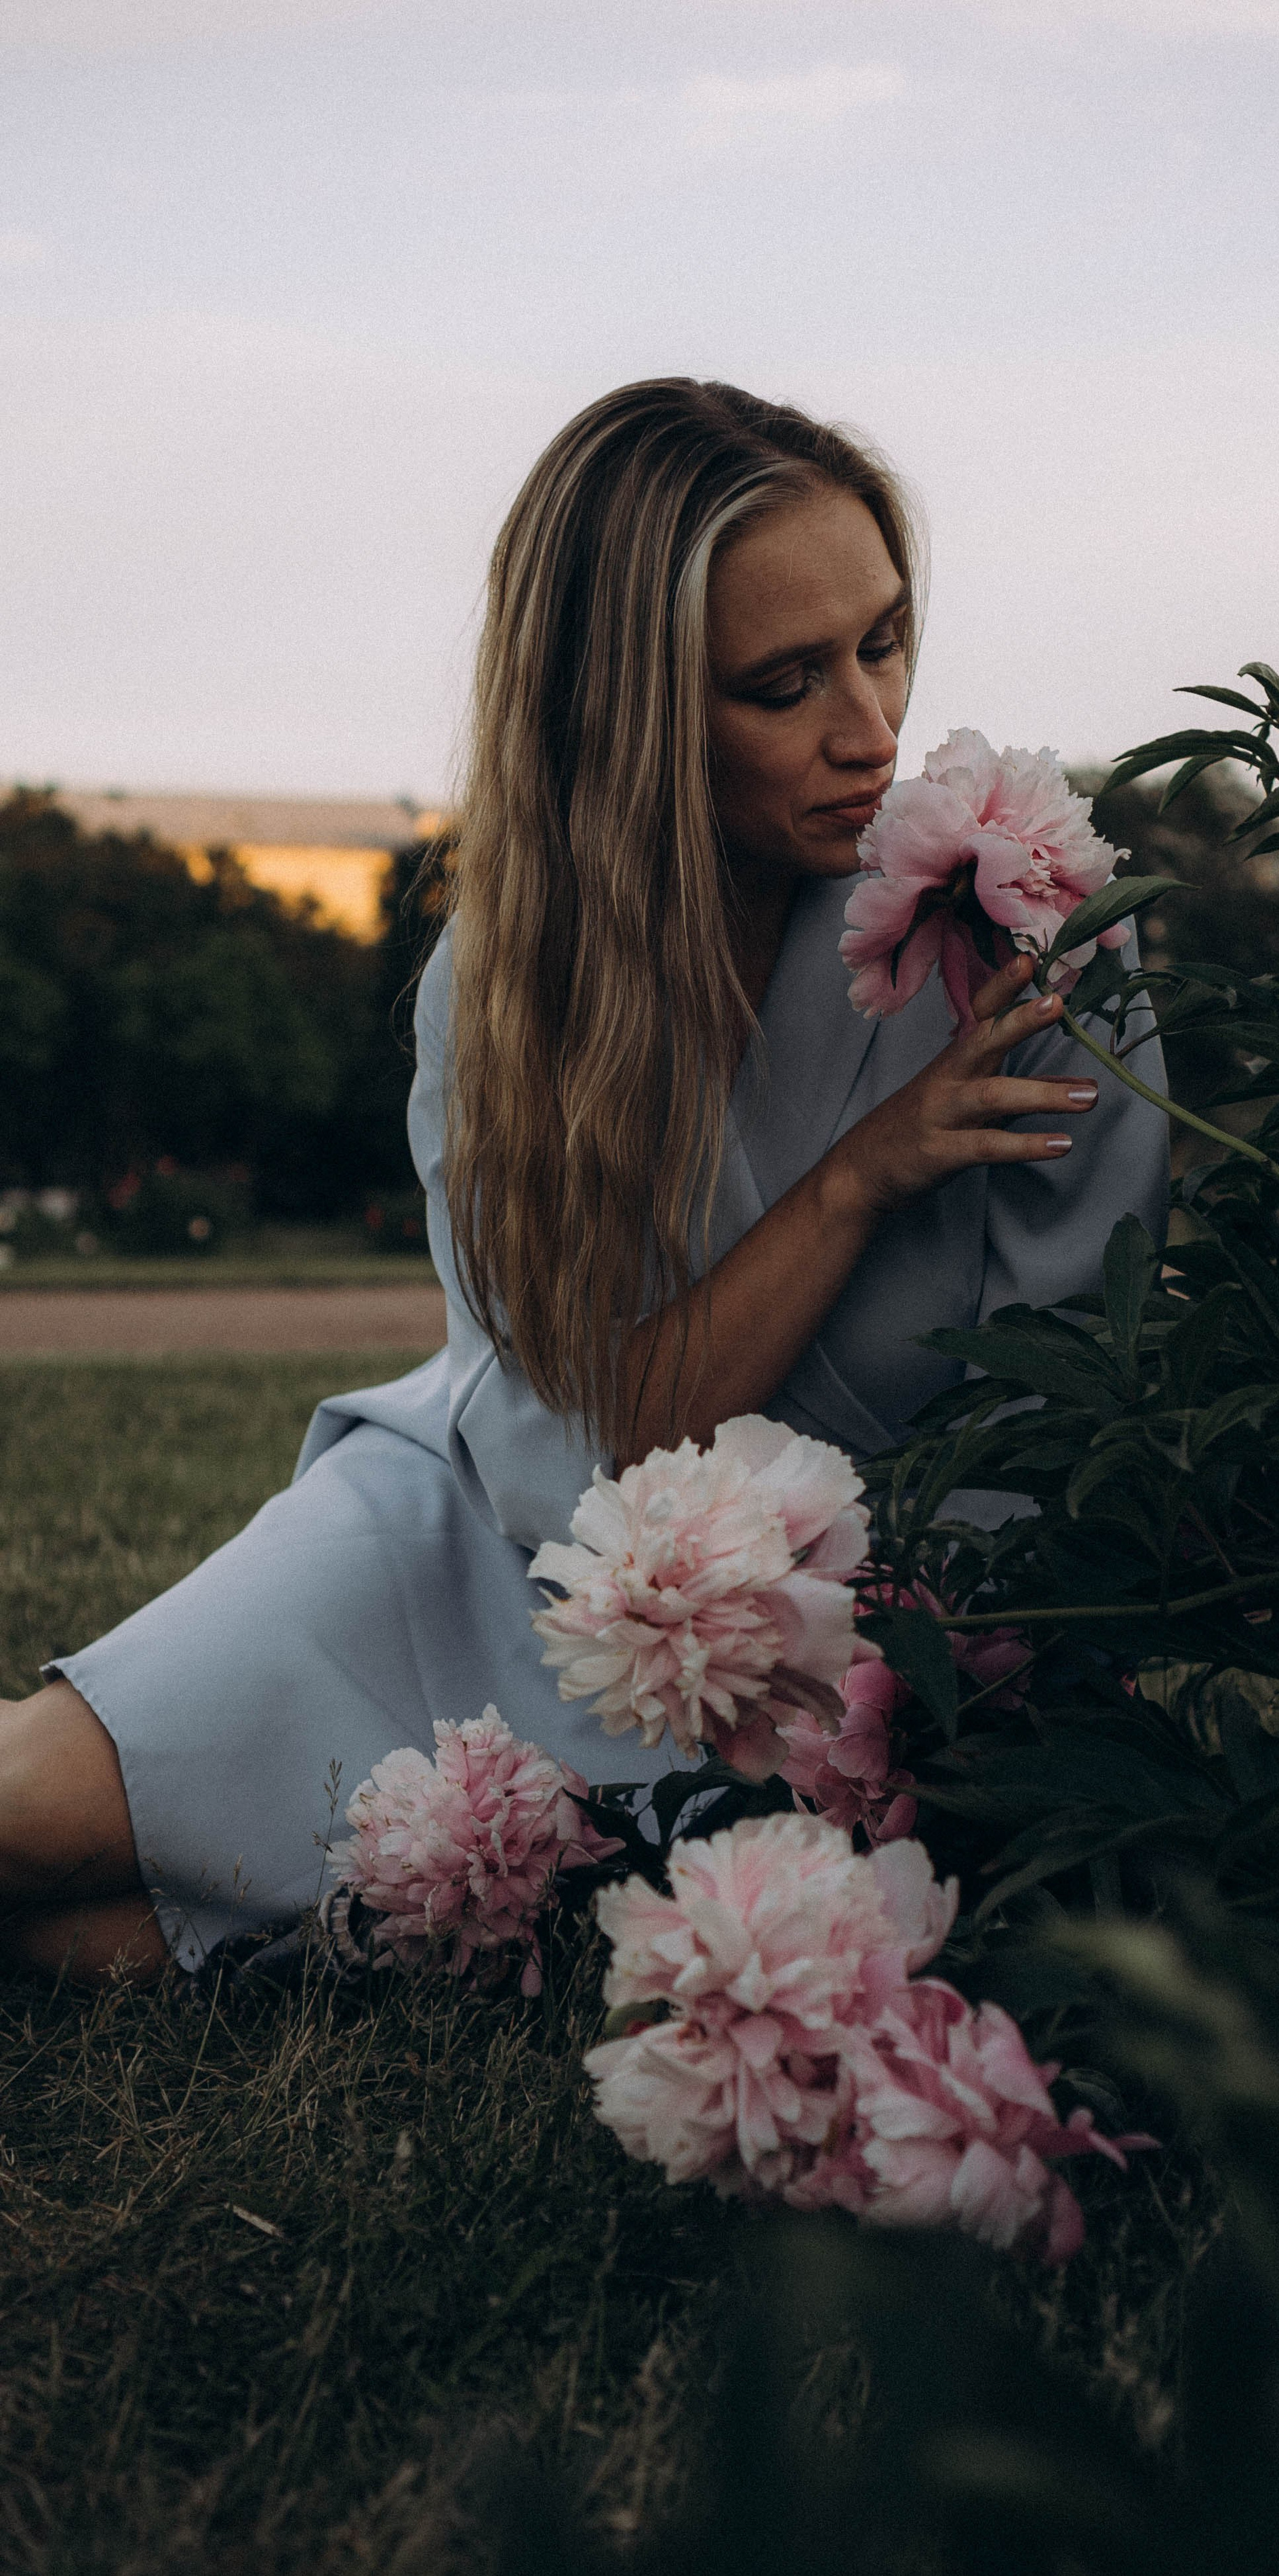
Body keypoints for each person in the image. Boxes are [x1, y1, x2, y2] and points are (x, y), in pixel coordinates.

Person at [0, 379, 1169, 1983]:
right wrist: (853, 1182)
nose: (871, 729)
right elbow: (596, 1447)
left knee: (99, 1946)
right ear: (633, 713)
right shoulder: (507, 988)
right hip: (483, 1545)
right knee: (20, 1810)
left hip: (845, 1660)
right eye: (782, 684)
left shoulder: (1030, 930)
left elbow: (1077, 1436)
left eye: (882, 642)